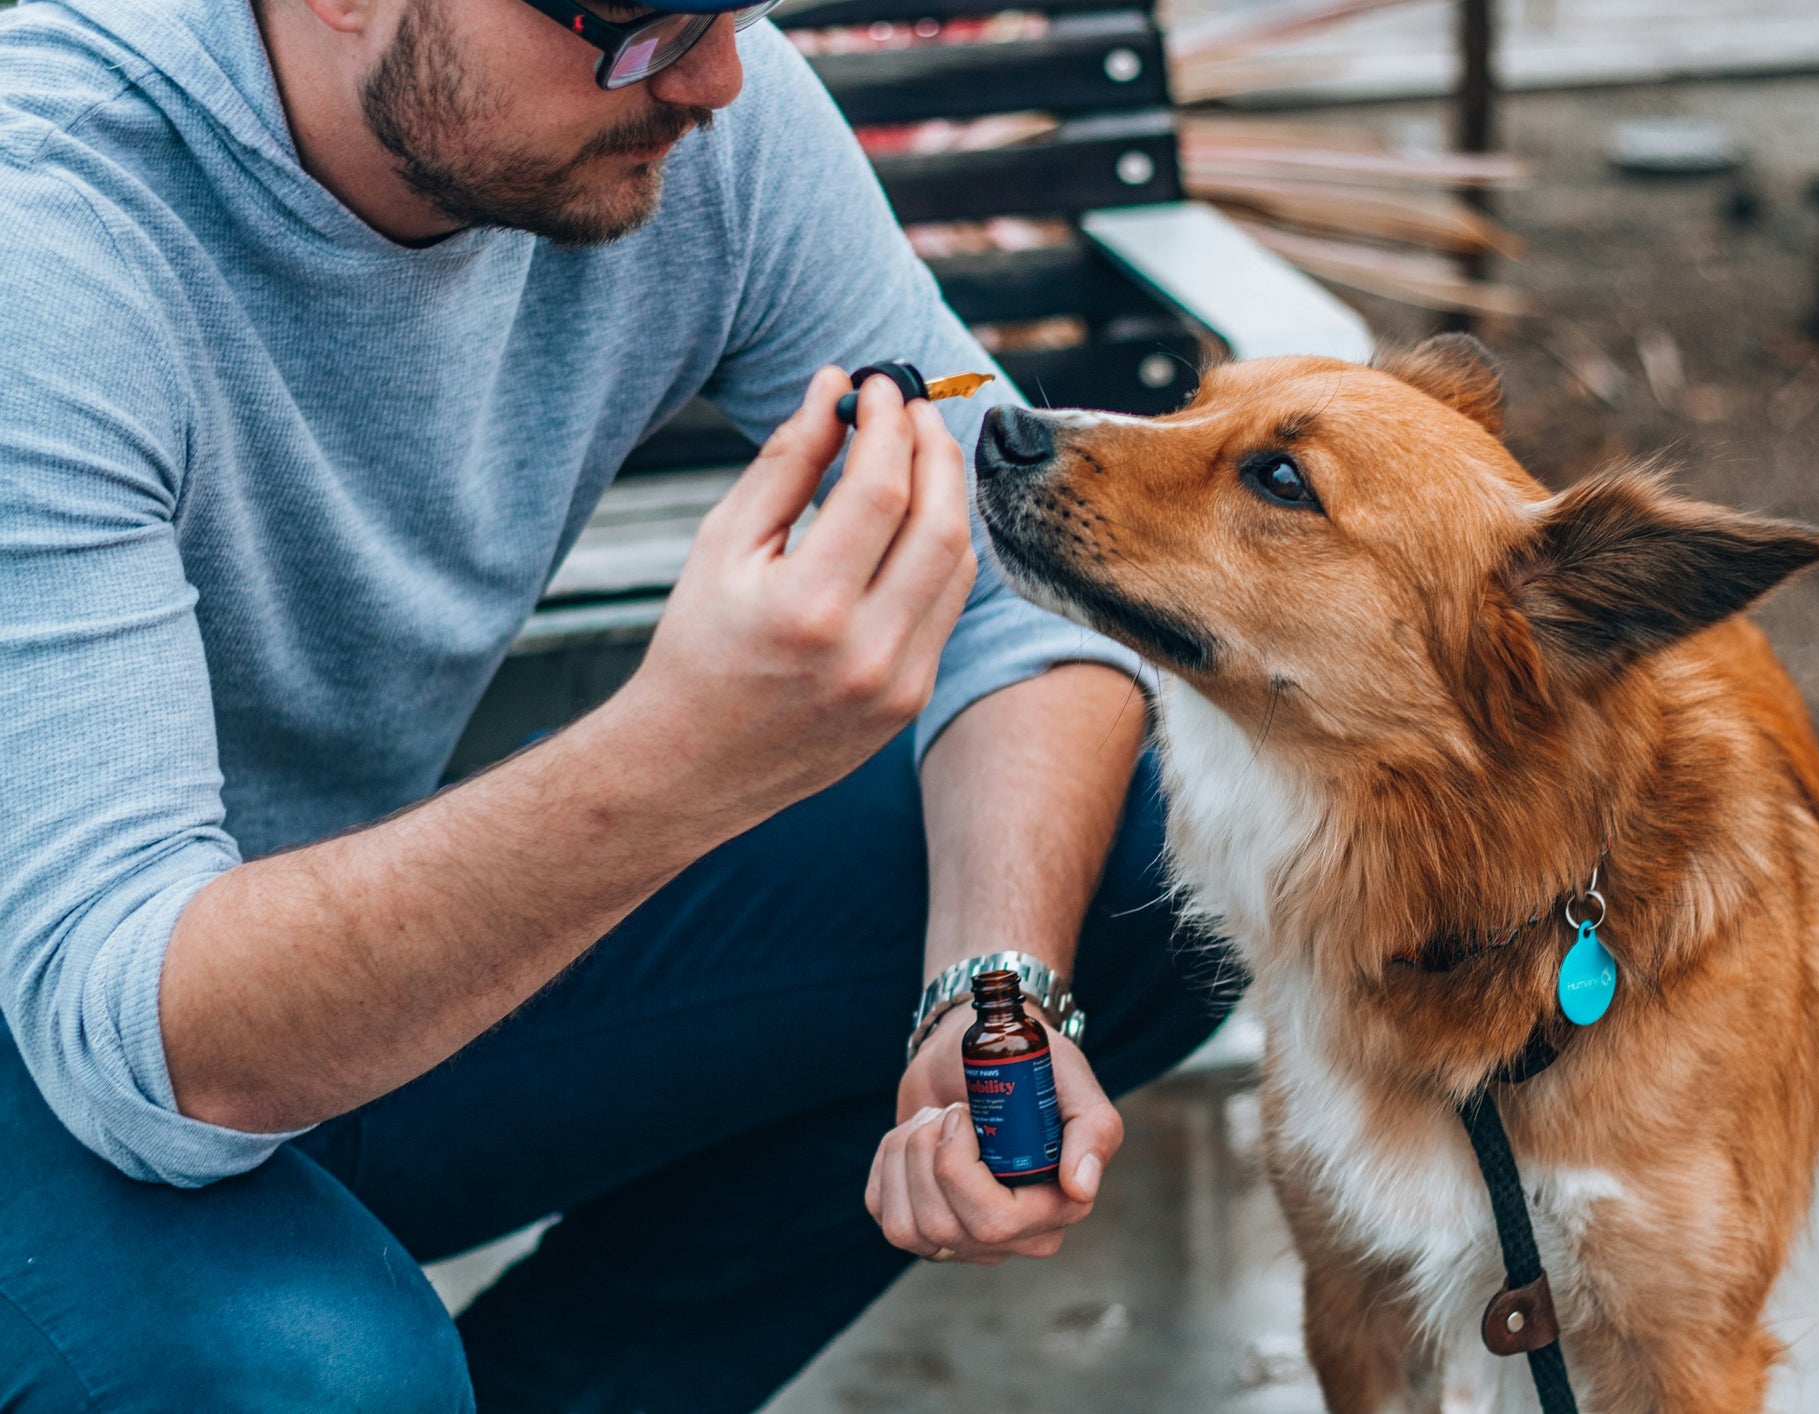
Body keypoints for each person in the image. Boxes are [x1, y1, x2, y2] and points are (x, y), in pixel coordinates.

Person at [0, 0, 1230, 1409]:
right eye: (640, 14)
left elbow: (1014, 597)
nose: (716, 76)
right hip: (72, 1025)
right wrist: (684, 755)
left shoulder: (702, 117)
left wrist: (991, 993)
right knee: (315, 1382)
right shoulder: (47, 237)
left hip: (309, 966)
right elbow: (137, 1052)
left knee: (1156, 866)